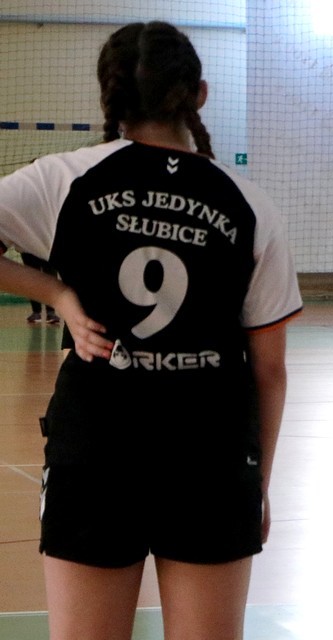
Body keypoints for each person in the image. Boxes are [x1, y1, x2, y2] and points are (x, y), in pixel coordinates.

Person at [0, 21, 302, 640]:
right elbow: (269, 370)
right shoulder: (248, 203)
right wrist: (259, 484)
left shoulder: (63, 179)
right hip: (212, 457)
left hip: (96, 449)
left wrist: (58, 293)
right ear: (200, 94)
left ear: (109, 97)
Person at [20, 251, 61, 324]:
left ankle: (50, 312)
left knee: (50, 277)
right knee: (32, 278)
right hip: (28, 249)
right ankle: (37, 312)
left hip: (47, 248)